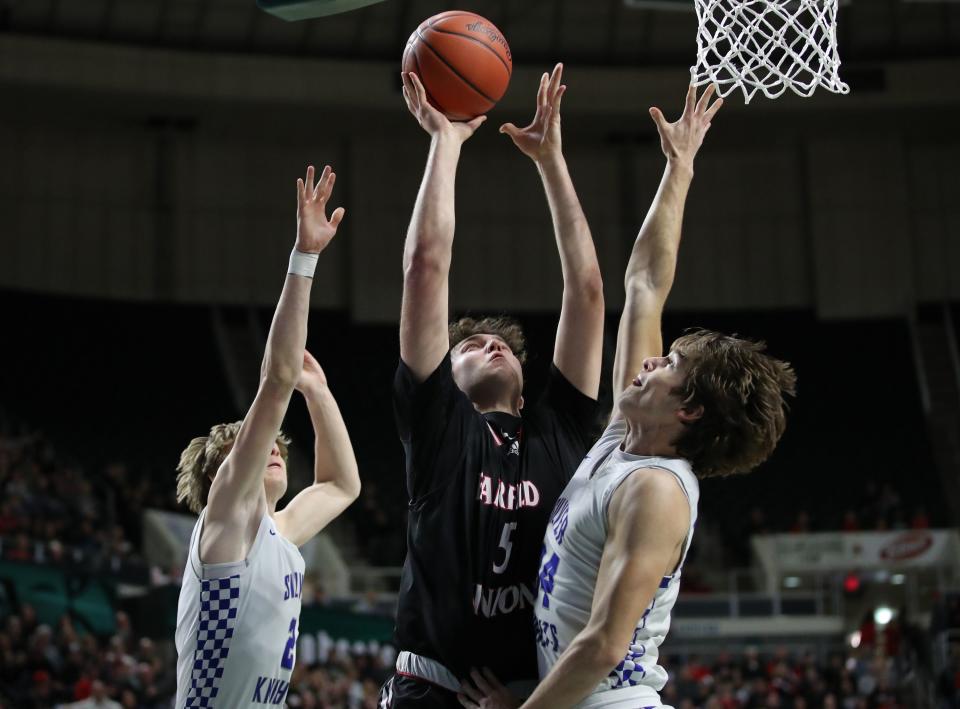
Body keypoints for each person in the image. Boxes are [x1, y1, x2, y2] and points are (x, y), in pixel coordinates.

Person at [459, 85, 795, 709]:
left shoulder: (656, 490)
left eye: (669, 366)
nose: (651, 361)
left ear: (688, 409)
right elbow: (644, 285)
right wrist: (680, 168)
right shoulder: (624, 442)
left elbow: (606, 646)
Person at [378, 64, 606, 707]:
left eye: (501, 343)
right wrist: (444, 143)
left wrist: (552, 161)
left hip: (534, 693)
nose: (490, 345)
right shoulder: (441, 428)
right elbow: (426, 268)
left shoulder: (560, 428)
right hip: (432, 684)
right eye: (469, 346)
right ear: (444, 381)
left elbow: (587, 293)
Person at [173, 165, 360, 707]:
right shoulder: (226, 518)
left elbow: (341, 486)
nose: (273, 446)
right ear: (220, 473)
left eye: (278, 445)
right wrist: (305, 257)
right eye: (256, 445)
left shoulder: (278, 534)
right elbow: (275, 382)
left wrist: (319, 393)